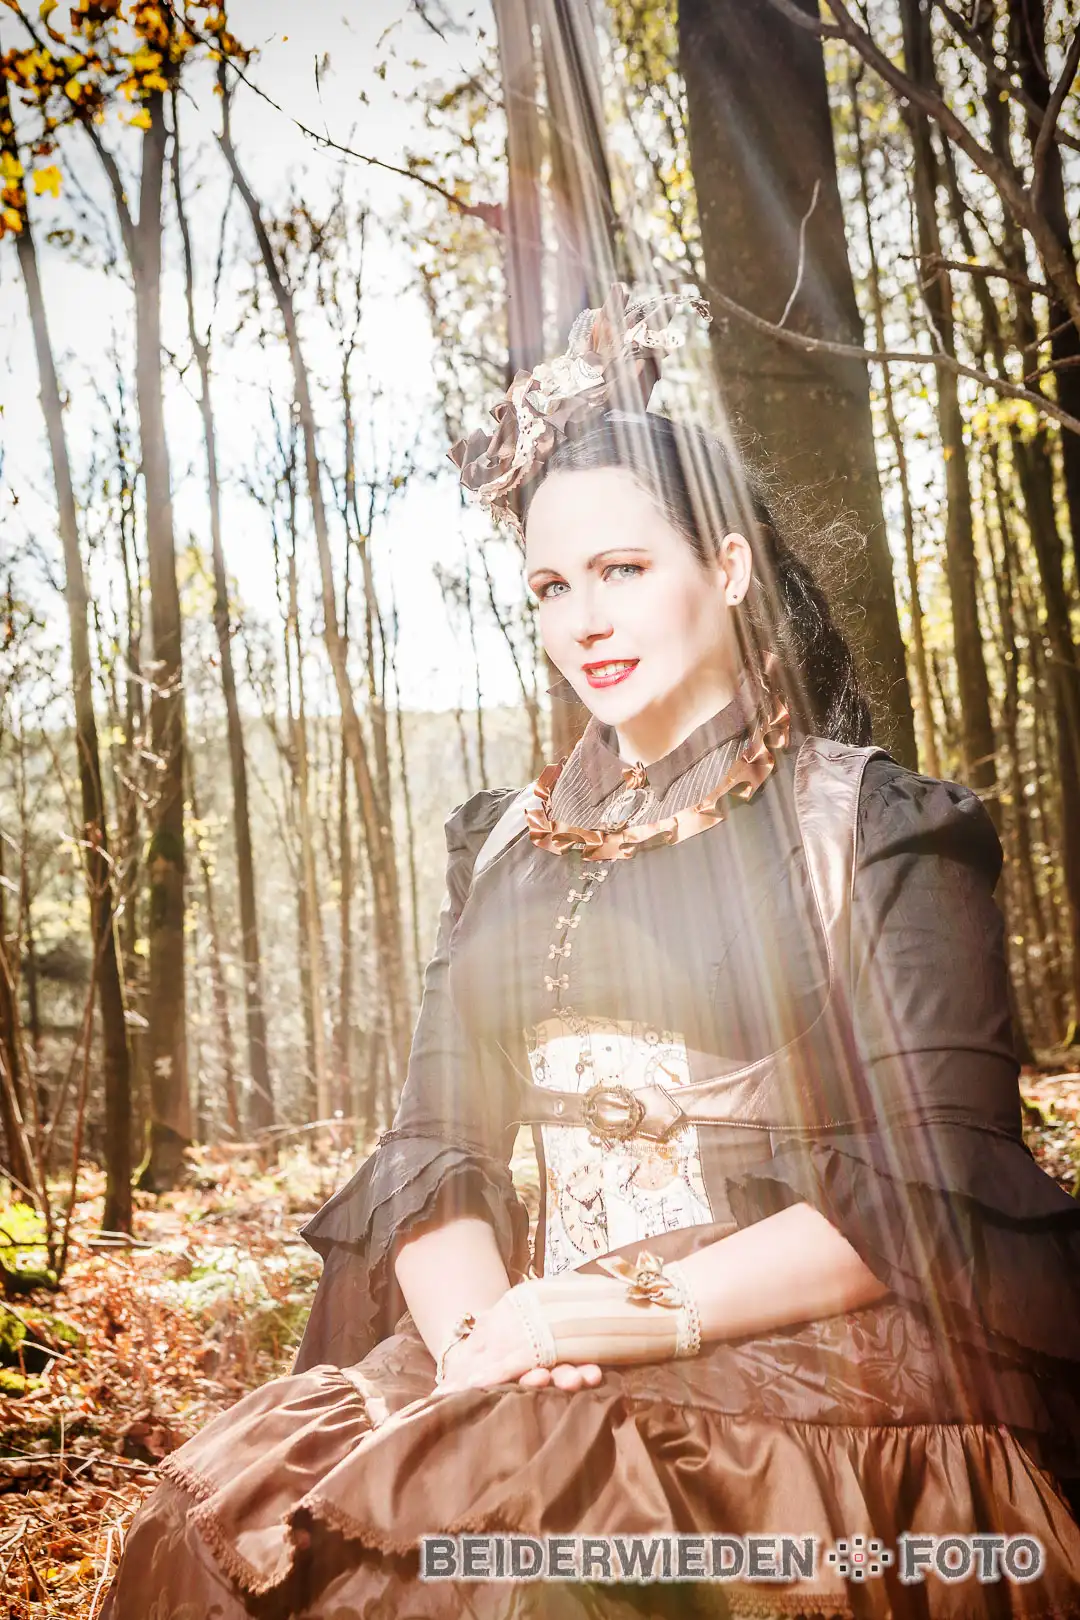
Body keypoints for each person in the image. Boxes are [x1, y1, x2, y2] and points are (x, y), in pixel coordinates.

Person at [103, 289, 1080, 1620]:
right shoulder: (501, 846)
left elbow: (933, 1191)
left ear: (727, 568)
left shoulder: (882, 828)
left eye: (623, 569)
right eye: (553, 588)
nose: (585, 622)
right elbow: (434, 1147)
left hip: (808, 1351)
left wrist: (623, 1313)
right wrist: (487, 1345)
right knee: (223, 1533)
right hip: (531, 1344)